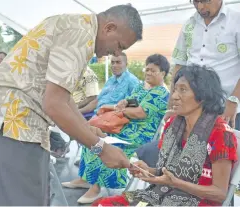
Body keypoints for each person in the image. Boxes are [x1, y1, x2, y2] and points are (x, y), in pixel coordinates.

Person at [0, 5, 143, 206]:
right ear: (109, 28)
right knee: (21, 199)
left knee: (5, 195)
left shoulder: (75, 25)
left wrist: (87, 129)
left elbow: (63, 98)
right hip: (17, 123)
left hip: (3, 118)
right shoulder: (80, 36)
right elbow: (54, 104)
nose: (115, 53)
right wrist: (100, 149)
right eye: (119, 45)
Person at [92, 65, 238, 206]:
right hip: (161, 195)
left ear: (203, 96)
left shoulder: (220, 134)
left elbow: (219, 194)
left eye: (183, 90)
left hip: (198, 203)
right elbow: (168, 174)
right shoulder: (173, 125)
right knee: (102, 204)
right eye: (175, 90)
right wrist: (148, 171)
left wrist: (175, 183)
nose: (174, 96)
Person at [63, 54, 170, 204]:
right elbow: (130, 103)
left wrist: (120, 110)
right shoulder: (141, 87)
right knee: (92, 140)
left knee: (106, 147)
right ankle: (85, 178)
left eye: (153, 71)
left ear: (163, 73)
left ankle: (95, 188)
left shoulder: (162, 93)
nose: (148, 73)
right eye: (147, 69)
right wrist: (122, 103)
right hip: (123, 128)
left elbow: (140, 113)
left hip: (139, 136)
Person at [171, 0, 240, 130]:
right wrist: (172, 101)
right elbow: (179, 64)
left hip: (228, 108)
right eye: (195, 1)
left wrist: (233, 100)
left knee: (226, 147)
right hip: (194, 108)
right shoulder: (189, 24)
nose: (200, 7)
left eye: (205, 1)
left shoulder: (236, 22)